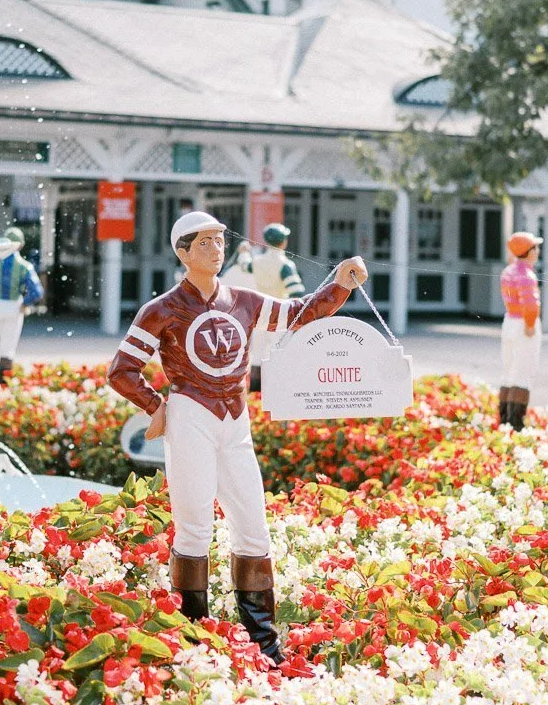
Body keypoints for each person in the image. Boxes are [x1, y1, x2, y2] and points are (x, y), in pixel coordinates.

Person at [107, 209, 367, 664]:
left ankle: (264, 645)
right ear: (182, 252)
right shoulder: (162, 309)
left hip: (235, 421)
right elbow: (121, 371)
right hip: (190, 417)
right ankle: (191, 640)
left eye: (218, 240)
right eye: (202, 242)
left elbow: (297, 314)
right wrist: (157, 406)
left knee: (253, 527)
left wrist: (340, 283)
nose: (215, 249)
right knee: (193, 529)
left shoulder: (243, 299)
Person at [0, 227, 42, 388]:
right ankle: (3, 384)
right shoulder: (24, 266)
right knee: (8, 346)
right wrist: (25, 303)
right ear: (21, 245)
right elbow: (37, 291)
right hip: (14, 306)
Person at [239, 222, 306, 391]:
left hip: (260, 314)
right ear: (283, 242)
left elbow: (244, 265)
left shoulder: (258, 261)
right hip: (281, 315)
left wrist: (244, 253)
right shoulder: (285, 265)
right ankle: (280, 391)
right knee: (281, 354)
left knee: (257, 356)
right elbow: (296, 292)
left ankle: (255, 394)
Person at [498, 230, 541, 430]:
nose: (538, 251)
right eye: (536, 247)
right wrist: (531, 325)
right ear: (529, 251)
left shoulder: (508, 271)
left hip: (509, 322)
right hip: (523, 324)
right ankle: (516, 423)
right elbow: (531, 306)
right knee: (523, 373)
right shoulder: (527, 275)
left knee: (509, 372)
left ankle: (504, 419)